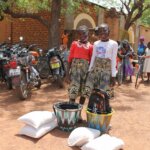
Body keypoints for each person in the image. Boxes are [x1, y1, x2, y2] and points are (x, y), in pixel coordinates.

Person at [83, 23, 118, 99]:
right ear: (98, 33)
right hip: (95, 71)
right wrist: (89, 70)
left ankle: (104, 109)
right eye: (100, 32)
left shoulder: (114, 44)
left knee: (105, 94)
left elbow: (113, 60)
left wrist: (113, 75)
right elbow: (93, 57)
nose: (103, 34)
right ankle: (93, 109)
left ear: (109, 31)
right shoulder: (96, 43)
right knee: (93, 92)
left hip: (106, 72)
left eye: (104, 31)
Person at [66, 25, 93, 108]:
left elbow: (91, 61)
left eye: (84, 34)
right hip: (75, 73)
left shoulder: (91, 47)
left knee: (83, 92)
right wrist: (67, 74)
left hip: (84, 73)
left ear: (87, 33)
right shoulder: (74, 44)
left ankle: (79, 111)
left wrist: (90, 74)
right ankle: (71, 110)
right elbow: (70, 59)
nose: (82, 36)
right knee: (73, 91)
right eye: (80, 34)